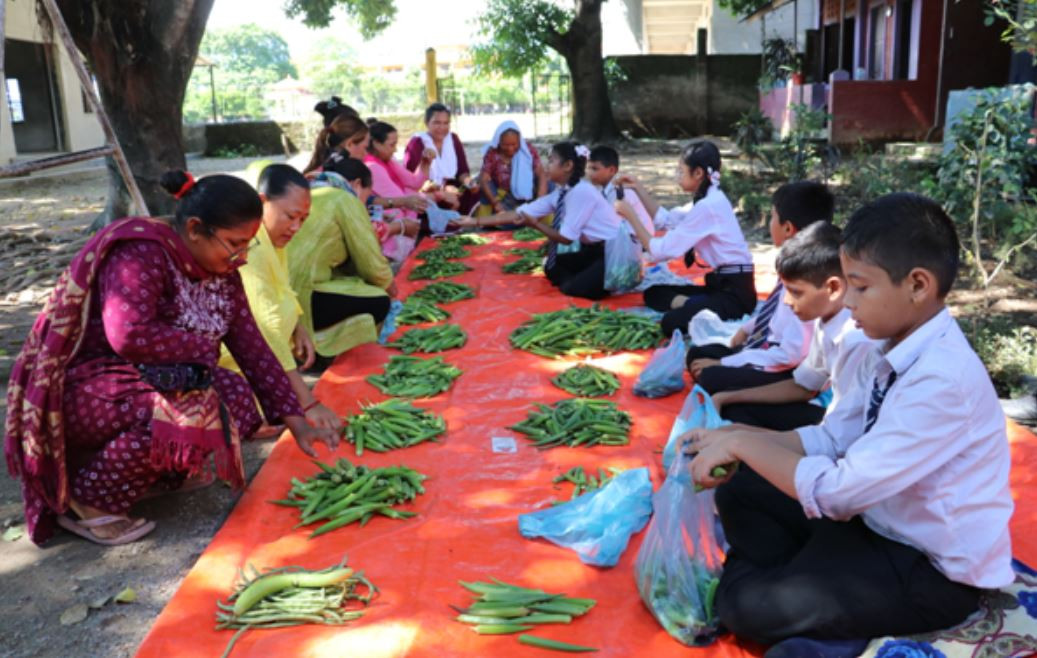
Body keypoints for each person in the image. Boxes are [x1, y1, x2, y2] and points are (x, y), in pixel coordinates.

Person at [686, 193, 1013, 649]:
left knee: (747, 609)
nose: (850, 301)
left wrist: (744, 445)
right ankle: (804, 588)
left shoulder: (943, 379)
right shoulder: (888, 348)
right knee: (743, 488)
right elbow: (835, 436)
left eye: (860, 287)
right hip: (875, 521)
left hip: (928, 568)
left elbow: (838, 493)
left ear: (918, 285)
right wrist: (738, 436)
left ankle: (796, 599)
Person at [4, 171, 339, 546]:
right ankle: (87, 500)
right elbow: (127, 333)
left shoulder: (222, 268)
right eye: (234, 244)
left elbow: (252, 347)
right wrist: (201, 348)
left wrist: (298, 421)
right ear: (195, 229)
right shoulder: (141, 253)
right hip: (89, 386)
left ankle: (161, 474)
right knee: (190, 411)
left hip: (150, 377)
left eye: (247, 245)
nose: (241, 256)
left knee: (236, 396)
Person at [710, 222, 873, 430]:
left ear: (833, 288)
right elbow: (804, 386)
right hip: (835, 423)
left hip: (846, 432)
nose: (786, 301)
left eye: (795, 292)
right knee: (734, 411)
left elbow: (843, 432)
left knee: (737, 430)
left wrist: (745, 438)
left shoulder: (855, 339)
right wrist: (728, 397)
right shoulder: (825, 321)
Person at [218, 164, 342, 431]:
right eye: (290, 216)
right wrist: (308, 402)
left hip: (265, 355)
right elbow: (267, 329)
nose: (296, 227)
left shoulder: (272, 238)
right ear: (262, 202)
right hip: (233, 361)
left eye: (303, 219)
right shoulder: (250, 245)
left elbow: (283, 288)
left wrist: (299, 327)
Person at [684, 181, 834, 394]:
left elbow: (790, 355)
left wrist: (728, 362)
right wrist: (747, 329)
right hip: (767, 349)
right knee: (698, 354)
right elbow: (774, 314)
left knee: (712, 376)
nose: (769, 223)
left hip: (787, 368)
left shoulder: (809, 282)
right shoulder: (794, 265)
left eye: (772, 216)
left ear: (788, 228)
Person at [613, 141, 756, 336]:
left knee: (670, 323)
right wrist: (637, 188)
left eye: (681, 171)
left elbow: (660, 250)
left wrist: (631, 216)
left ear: (698, 173)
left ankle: (697, 307)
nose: (677, 176)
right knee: (653, 294)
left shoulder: (708, 206)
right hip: (719, 285)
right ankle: (695, 305)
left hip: (735, 294)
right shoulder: (706, 200)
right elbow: (666, 220)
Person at [464, 142, 620, 300]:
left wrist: (536, 224)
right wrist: (472, 221)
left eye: (551, 161)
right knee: (551, 267)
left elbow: (566, 239)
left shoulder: (581, 192)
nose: (546, 166)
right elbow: (519, 213)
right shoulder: (562, 192)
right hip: (592, 250)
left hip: (613, 253)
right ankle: (588, 278)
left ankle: (593, 281)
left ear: (567, 166)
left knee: (572, 288)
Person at [286, 156, 396, 364]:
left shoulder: (310, 192)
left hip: (284, 291)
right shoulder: (345, 199)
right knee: (379, 301)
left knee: (354, 285)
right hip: (306, 292)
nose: (364, 203)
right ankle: (322, 350)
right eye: (367, 195)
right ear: (356, 185)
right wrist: (391, 288)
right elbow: (371, 262)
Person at [404, 103, 478, 213]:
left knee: (474, 190)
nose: (442, 128)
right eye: (437, 123)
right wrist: (442, 190)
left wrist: (469, 182)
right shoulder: (417, 143)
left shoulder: (453, 139)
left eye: (446, 123)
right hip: (428, 190)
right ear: (427, 123)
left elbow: (462, 171)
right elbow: (412, 180)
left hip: (452, 187)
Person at [477, 120, 548, 216]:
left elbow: (541, 173)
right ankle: (501, 217)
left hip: (527, 195)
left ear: (519, 141)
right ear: (498, 142)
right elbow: (484, 179)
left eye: (514, 144)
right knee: (482, 182)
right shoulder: (493, 153)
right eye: (505, 145)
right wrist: (496, 203)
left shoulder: (527, 151)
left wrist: (539, 202)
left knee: (548, 183)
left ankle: (531, 214)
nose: (510, 149)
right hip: (502, 197)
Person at [586, 145, 653, 232]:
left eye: (595, 169)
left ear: (612, 170)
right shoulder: (601, 189)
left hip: (635, 240)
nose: (589, 173)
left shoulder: (621, 192)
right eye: (588, 168)